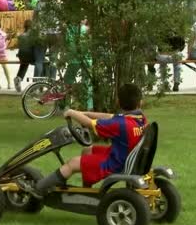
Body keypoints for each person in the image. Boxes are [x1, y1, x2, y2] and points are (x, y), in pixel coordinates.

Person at [18, 83, 147, 199]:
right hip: (124, 157)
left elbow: (89, 124)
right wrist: (82, 113)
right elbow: (109, 117)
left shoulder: (120, 124)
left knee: (72, 164)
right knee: (87, 150)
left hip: (115, 163)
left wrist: (71, 113)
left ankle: (38, 189)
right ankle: (87, 192)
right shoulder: (139, 119)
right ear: (140, 103)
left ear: (118, 102)